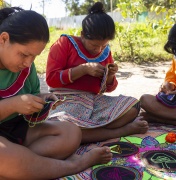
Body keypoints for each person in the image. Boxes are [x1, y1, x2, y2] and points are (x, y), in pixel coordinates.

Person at [0, 7, 113, 180]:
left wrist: (41, 101)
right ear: (4, 39)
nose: (28, 62)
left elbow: (33, 96)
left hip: (17, 129)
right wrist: (14, 104)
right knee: (4, 157)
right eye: (24, 54)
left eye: (34, 57)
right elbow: (17, 102)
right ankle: (74, 165)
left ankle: (21, 165)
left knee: (71, 133)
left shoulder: (26, 67)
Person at [46, 2, 148, 144]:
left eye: (103, 45)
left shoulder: (105, 52)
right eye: (94, 45)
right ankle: (118, 131)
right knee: (60, 124)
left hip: (94, 102)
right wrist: (83, 69)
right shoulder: (65, 43)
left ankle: (88, 131)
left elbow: (108, 89)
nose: (98, 50)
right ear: (82, 35)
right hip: (66, 100)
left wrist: (110, 75)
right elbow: (51, 79)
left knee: (132, 106)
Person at [140, 21, 176, 127]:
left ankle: (160, 119)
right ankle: (170, 118)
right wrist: (170, 85)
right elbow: (173, 76)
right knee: (145, 100)